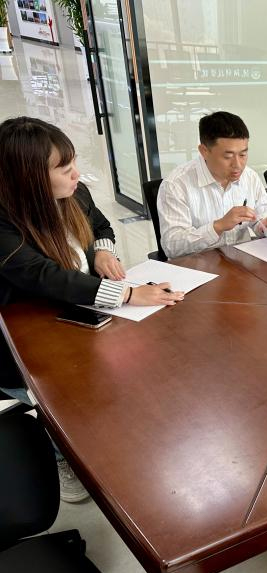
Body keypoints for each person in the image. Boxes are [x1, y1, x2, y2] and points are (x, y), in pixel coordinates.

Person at [0, 116, 184, 502]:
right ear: (29, 178)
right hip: (21, 340)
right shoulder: (4, 224)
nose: (76, 174)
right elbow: (46, 277)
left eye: (74, 162)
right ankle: (60, 453)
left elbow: (101, 226)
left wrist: (102, 252)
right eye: (64, 168)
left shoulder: (75, 192)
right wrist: (128, 294)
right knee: (60, 404)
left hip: (78, 317)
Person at [158, 111, 267, 258]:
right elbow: (172, 246)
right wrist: (218, 226)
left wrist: (264, 224)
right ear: (204, 151)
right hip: (199, 265)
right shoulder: (176, 185)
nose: (238, 165)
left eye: (243, 154)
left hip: (241, 261)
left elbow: (261, 214)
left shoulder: (250, 176)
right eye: (228, 156)